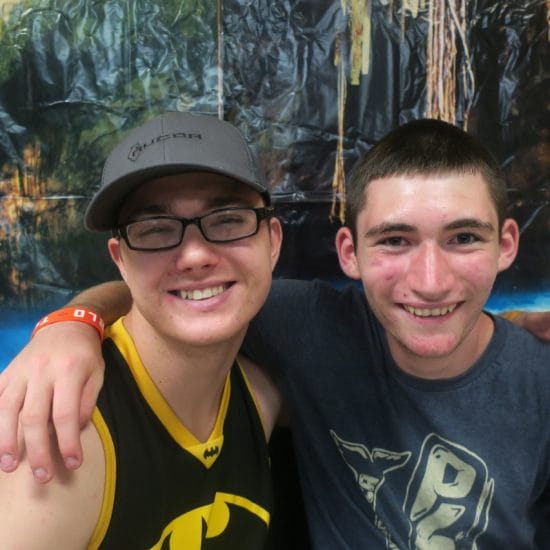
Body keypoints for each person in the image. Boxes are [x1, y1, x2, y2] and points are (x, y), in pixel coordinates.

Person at [1, 119, 550, 547]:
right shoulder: (309, 332)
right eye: (395, 241)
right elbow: (164, 292)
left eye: (463, 239)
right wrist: (70, 325)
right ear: (349, 252)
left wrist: (514, 328)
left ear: (505, 244)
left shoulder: (262, 387)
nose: (431, 282)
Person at [0, 111, 285, 548]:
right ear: (121, 260)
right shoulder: (59, 437)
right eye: (155, 230)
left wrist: (76, 318)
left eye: (228, 219)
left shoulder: (261, 396)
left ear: (273, 242)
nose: (195, 256)